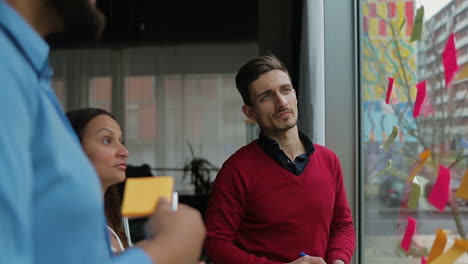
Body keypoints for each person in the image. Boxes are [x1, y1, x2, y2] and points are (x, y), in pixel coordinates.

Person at [0, 0, 205, 263]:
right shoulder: (7, 70)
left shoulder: (26, 72)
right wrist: (165, 251)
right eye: (107, 140)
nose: (123, 152)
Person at [204, 55, 355, 264]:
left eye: (285, 90)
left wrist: (338, 261)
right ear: (250, 112)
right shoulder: (236, 171)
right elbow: (216, 244)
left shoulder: (329, 160)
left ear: (295, 94)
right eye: (266, 97)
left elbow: (342, 225)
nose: (281, 102)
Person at [66, 108, 130, 253]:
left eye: (120, 141)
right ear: (73, 149)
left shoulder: (110, 223)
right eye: (107, 140)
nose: (124, 152)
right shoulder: (67, 225)